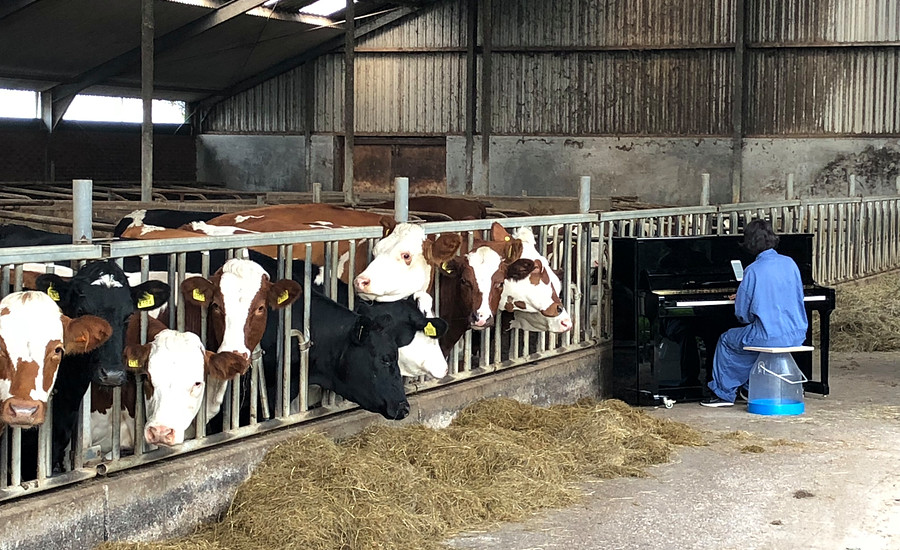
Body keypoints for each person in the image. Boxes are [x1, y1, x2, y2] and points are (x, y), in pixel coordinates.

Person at [701, 219, 809, 407]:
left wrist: (743, 297)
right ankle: (750, 386)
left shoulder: (752, 270)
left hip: (768, 336)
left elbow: (743, 315)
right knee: (755, 343)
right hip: (797, 333)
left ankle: (724, 394)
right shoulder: (790, 263)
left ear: (749, 243)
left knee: (727, 340)